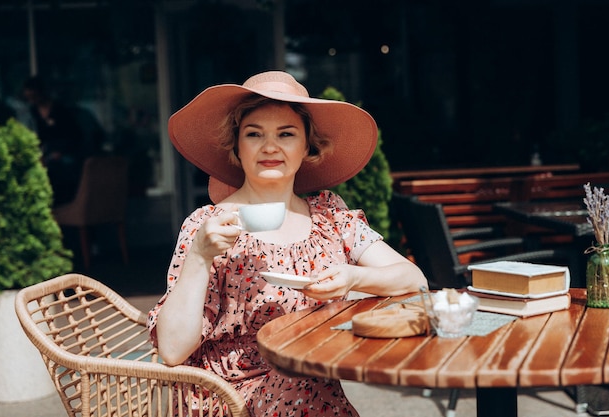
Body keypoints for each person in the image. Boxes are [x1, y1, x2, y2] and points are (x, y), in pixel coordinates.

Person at [147, 71, 428, 416]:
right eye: (254, 134)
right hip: (229, 396)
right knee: (304, 383)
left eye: (286, 134)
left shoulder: (329, 215)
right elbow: (173, 350)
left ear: (307, 145)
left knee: (306, 381)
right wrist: (201, 256)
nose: (270, 146)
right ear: (237, 146)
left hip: (309, 386)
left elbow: (414, 280)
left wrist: (354, 278)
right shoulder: (208, 226)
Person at [23, 75, 103, 205]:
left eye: (34, 96)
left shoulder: (61, 110)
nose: (32, 101)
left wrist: (61, 152)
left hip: (67, 153)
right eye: (29, 98)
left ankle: (63, 207)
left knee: (59, 172)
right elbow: (38, 138)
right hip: (47, 153)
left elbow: (75, 136)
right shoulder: (32, 113)